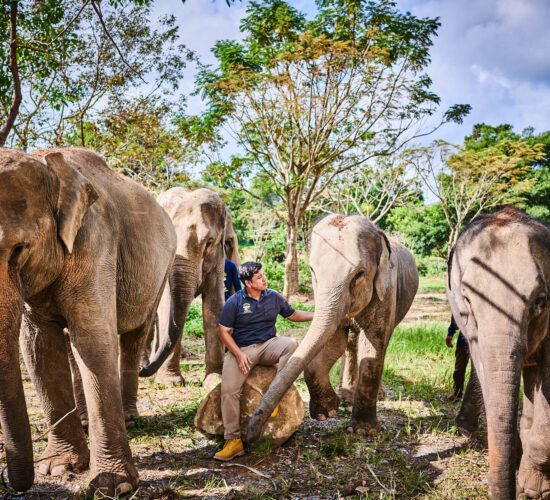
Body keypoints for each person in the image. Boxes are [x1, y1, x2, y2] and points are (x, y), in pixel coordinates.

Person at [214, 261, 314, 461]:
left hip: (269, 345)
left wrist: (318, 315)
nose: (264, 279)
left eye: (263, 275)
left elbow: (292, 315)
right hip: (242, 350)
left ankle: (275, 394)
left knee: (291, 344)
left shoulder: (273, 296)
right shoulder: (234, 302)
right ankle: (233, 441)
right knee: (228, 391)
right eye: (259, 277)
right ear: (249, 283)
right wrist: (239, 355)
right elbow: (223, 332)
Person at [446, 315, 469, 401]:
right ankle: (458, 393)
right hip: (463, 340)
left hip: (482, 339)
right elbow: (456, 312)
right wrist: (450, 333)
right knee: (459, 369)